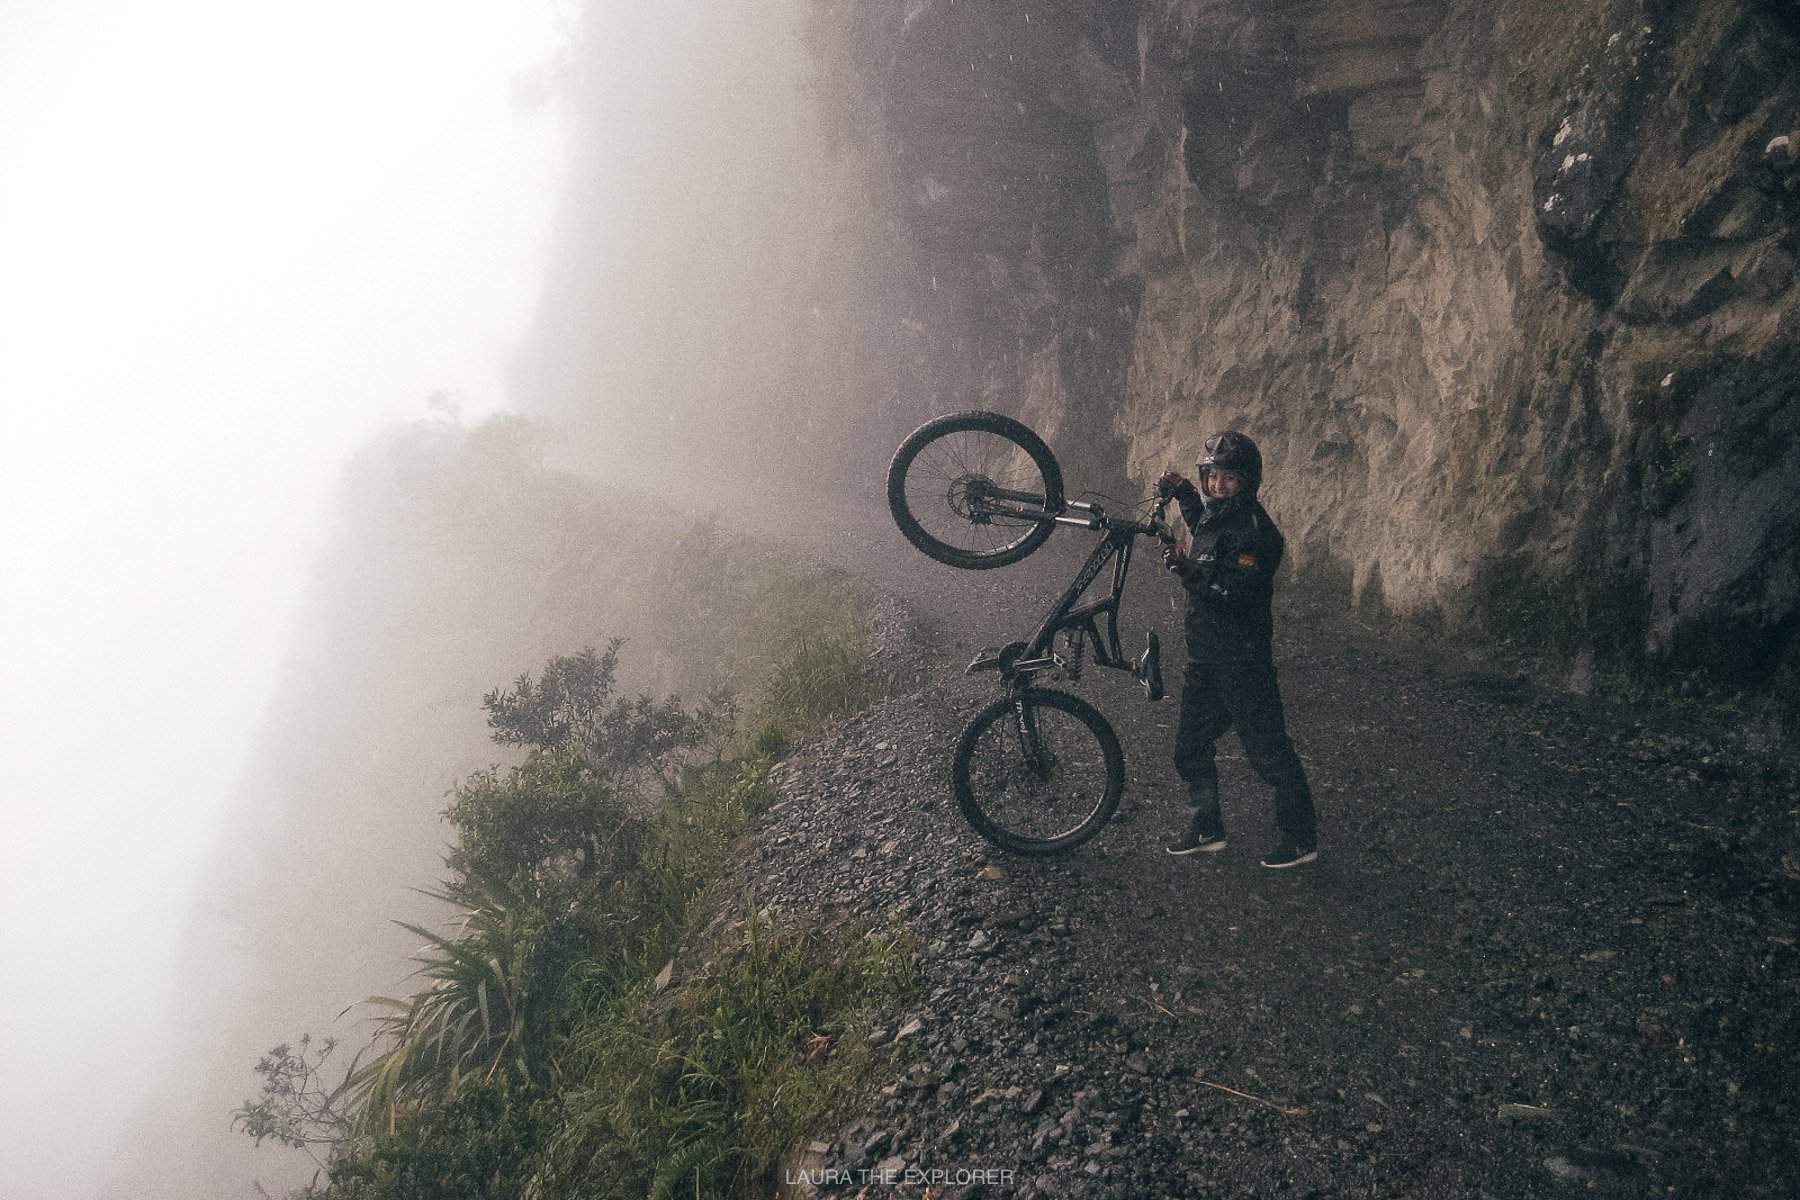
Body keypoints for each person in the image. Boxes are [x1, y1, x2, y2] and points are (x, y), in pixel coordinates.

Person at [1156, 431, 1318, 868]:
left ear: (1248, 481)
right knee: (1189, 748)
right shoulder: (1218, 517)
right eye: (1211, 477)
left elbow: (1232, 592)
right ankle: (1208, 828)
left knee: (1269, 753)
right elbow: (1203, 528)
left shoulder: (1255, 532)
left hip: (1243, 663)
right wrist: (1183, 492)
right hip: (1205, 660)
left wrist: (1185, 569)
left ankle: (1301, 840)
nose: (1218, 486)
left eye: (1229, 478)